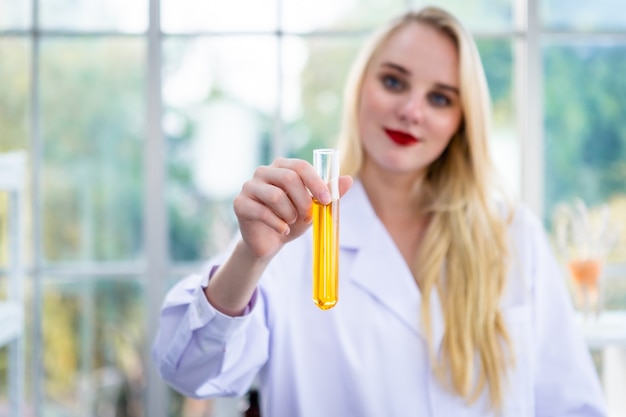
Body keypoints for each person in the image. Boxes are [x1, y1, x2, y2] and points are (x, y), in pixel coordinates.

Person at [152, 6, 607, 417]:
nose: (411, 110)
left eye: (440, 98)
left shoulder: (513, 235)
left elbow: (572, 404)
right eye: (394, 81)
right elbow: (189, 368)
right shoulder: (293, 232)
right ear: (359, 89)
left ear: (462, 121)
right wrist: (250, 258)